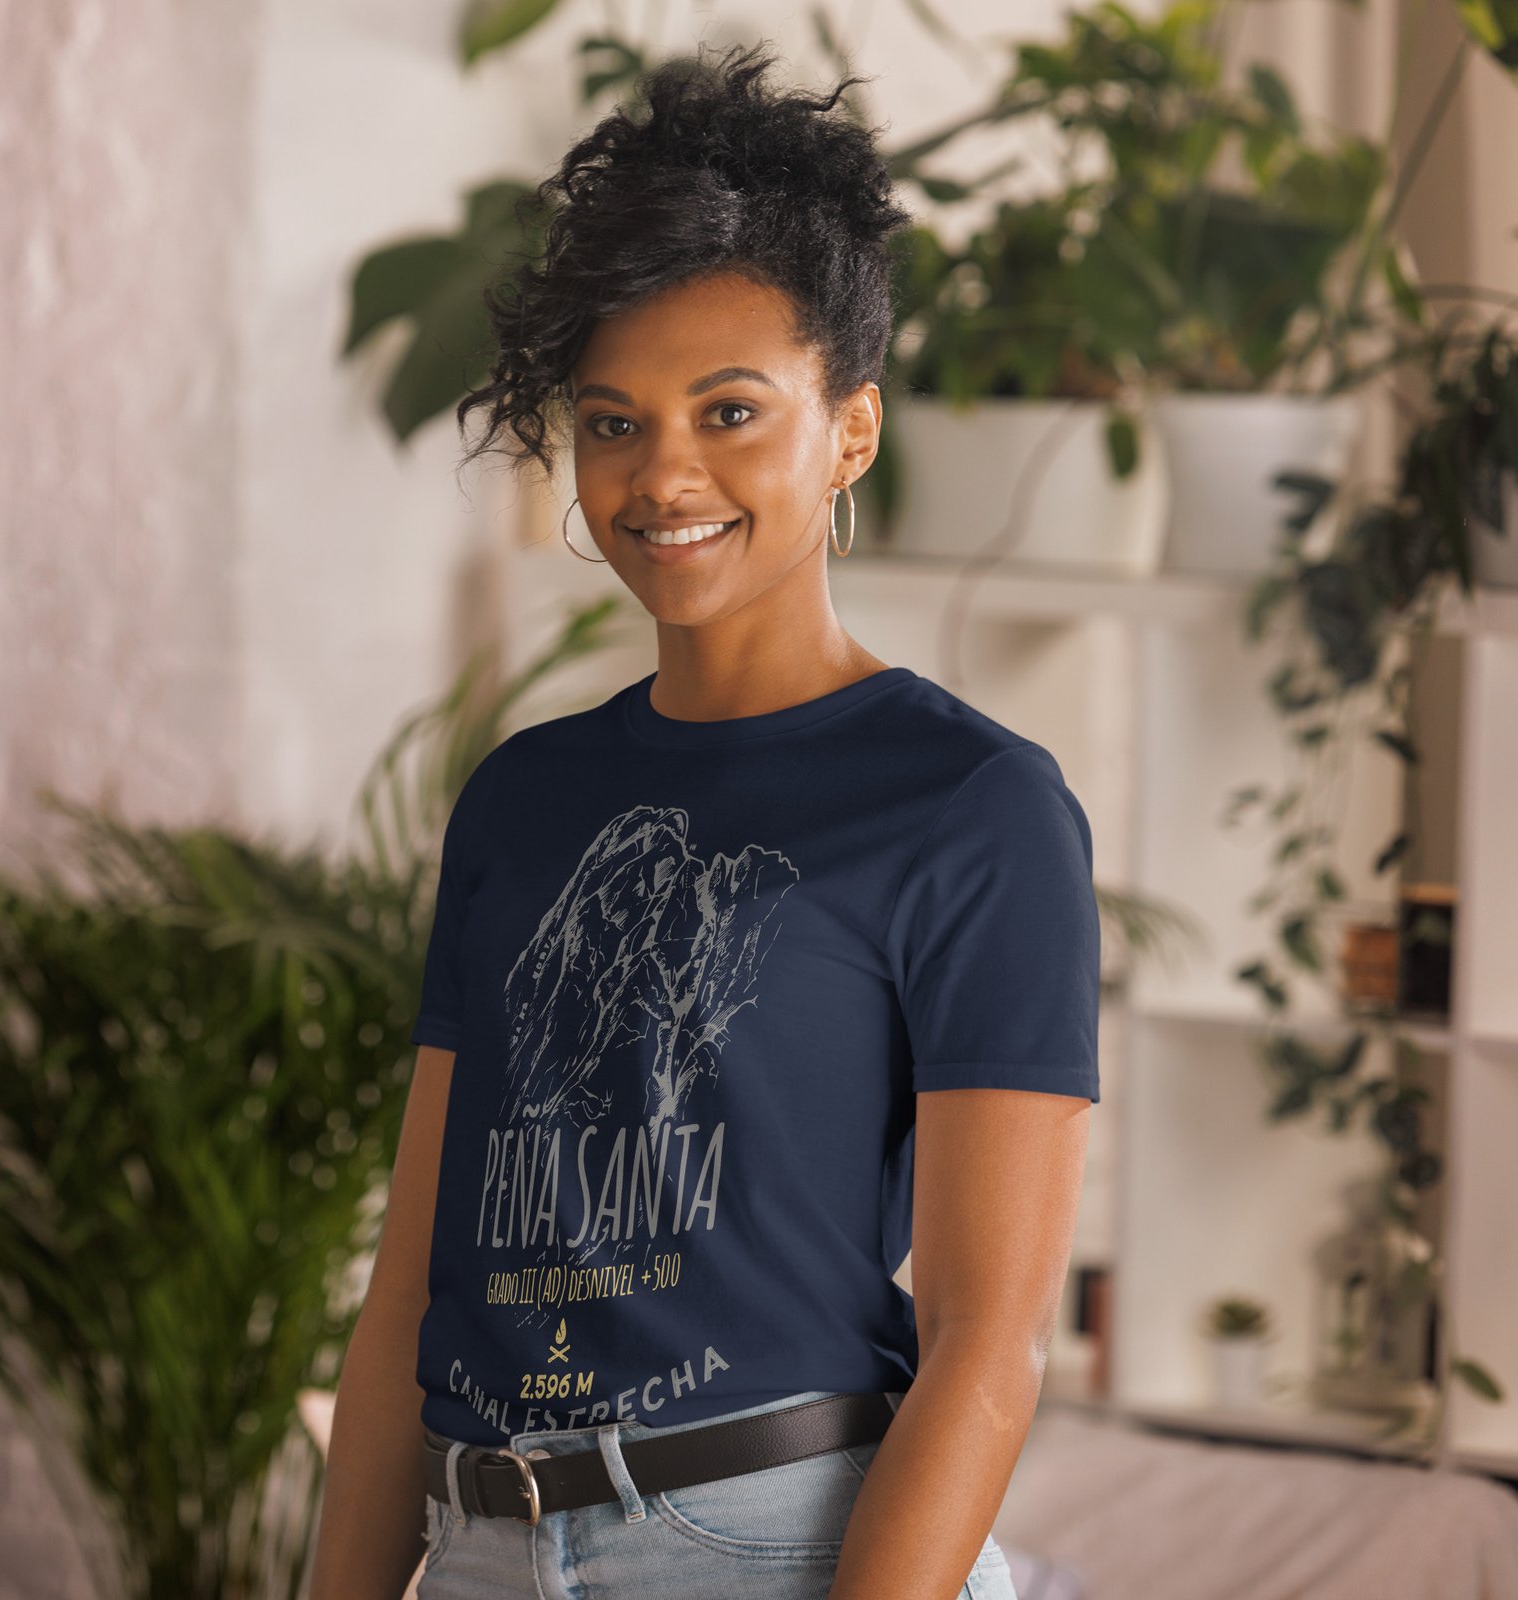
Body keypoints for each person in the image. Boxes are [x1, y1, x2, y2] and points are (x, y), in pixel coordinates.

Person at [308, 39, 1098, 1600]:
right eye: (613, 423)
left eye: (730, 411)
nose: (663, 474)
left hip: (778, 1547)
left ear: (851, 429)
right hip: (482, 1545)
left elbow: (988, 1343)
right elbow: (411, 1290)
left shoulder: (972, 805)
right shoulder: (524, 799)